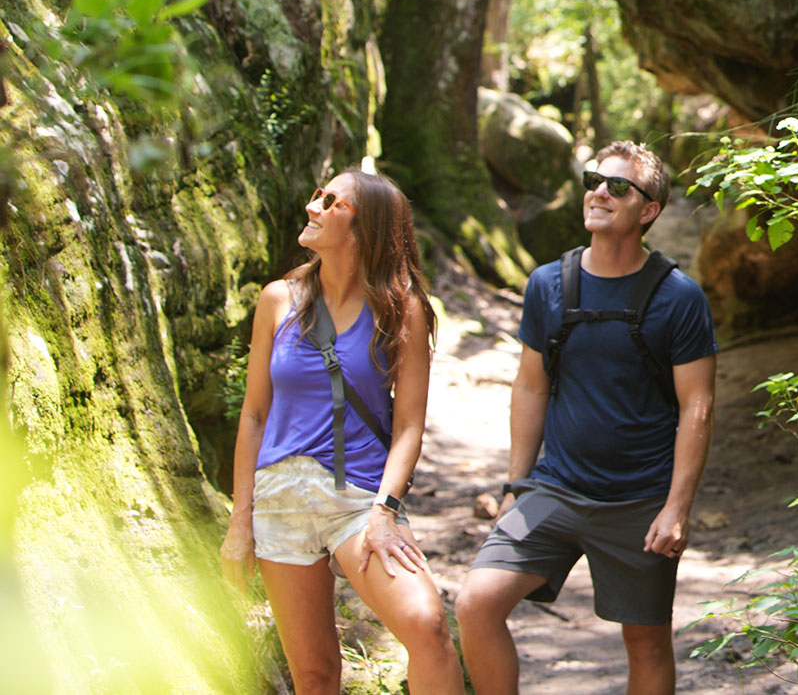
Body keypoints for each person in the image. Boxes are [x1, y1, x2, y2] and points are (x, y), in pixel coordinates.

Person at [456, 141, 718, 695]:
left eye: (618, 185)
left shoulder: (679, 298)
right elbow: (531, 386)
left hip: (640, 502)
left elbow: (698, 403)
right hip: (554, 489)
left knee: (646, 642)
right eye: (594, 179)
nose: (599, 191)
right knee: (476, 603)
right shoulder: (547, 284)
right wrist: (514, 485)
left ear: (647, 209)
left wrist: (676, 508)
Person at [220, 168, 461, 695]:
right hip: (279, 499)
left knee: (427, 627)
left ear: (365, 228)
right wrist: (241, 520)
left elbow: (409, 426)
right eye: (316, 195)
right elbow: (254, 413)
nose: (313, 206)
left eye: (331, 202)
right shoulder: (277, 299)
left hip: (358, 498)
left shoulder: (401, 308)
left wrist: (385, 512)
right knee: (314, 675)